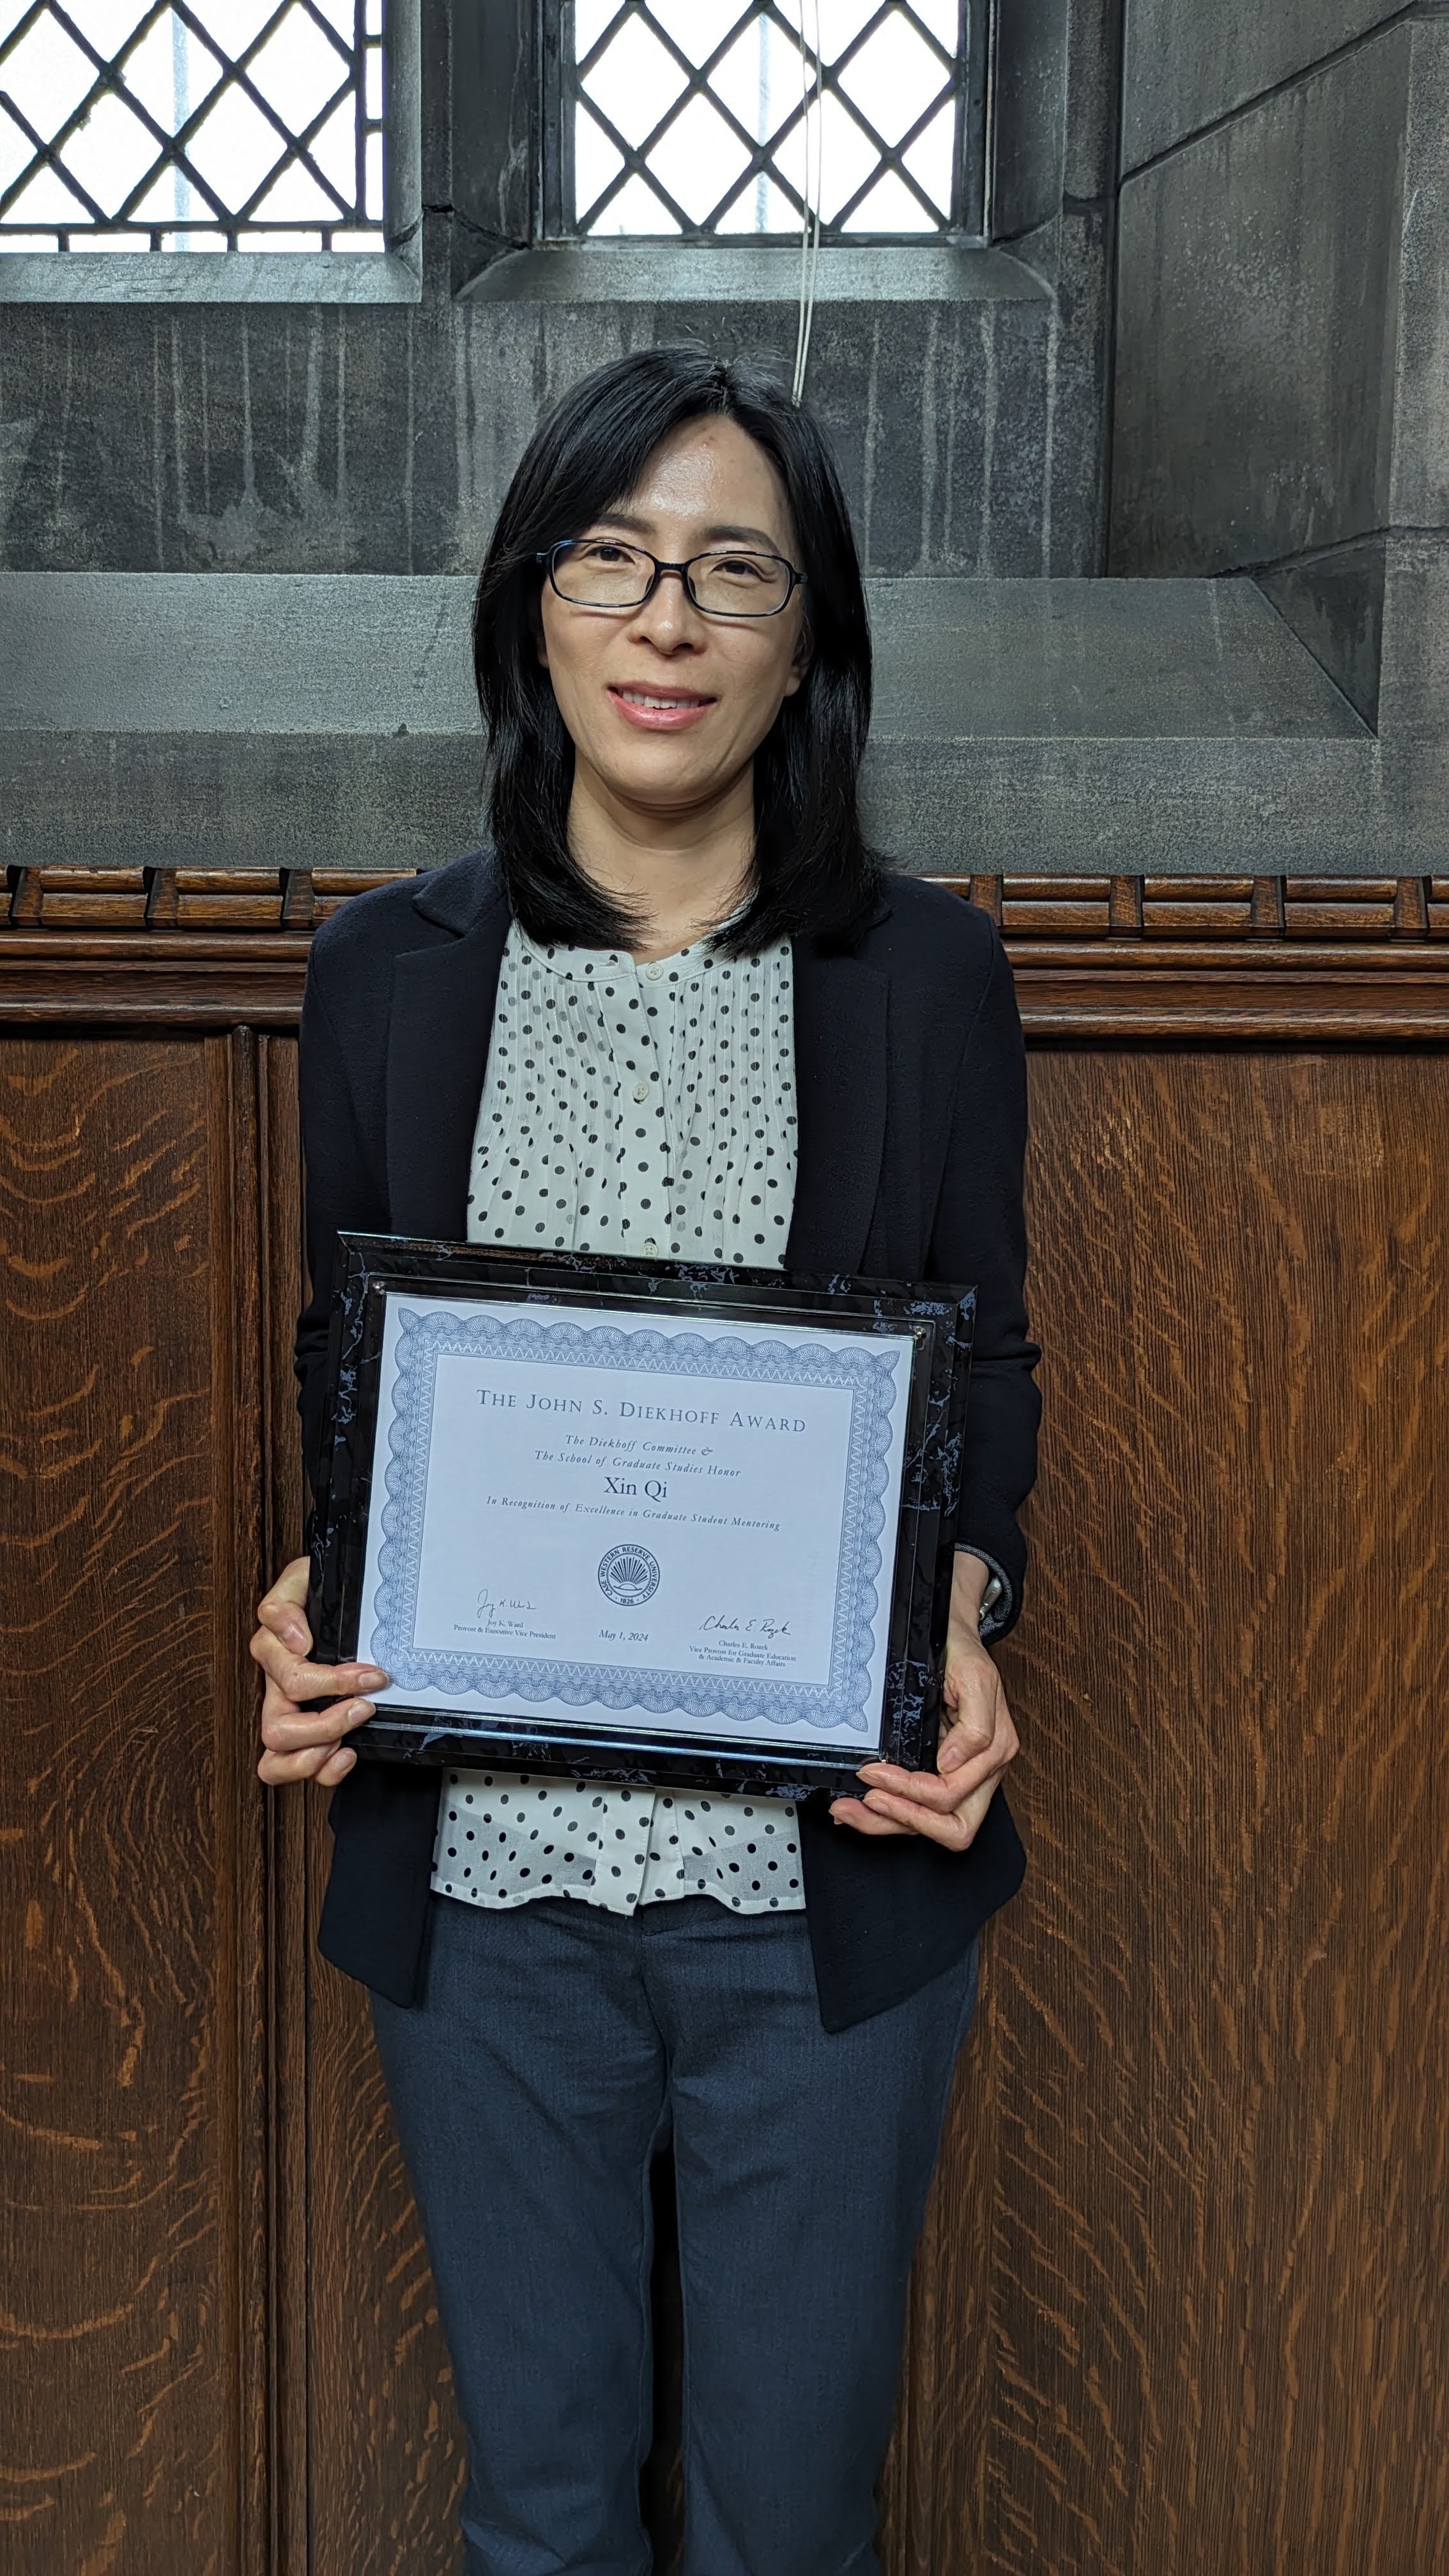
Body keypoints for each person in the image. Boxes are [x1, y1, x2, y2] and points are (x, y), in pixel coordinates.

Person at [251, 346, 1039, 2576]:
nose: (664, 618)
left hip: (820, 1875)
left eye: (731, 572)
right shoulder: (384, 971)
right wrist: (312, 1599)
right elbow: (359, 1372)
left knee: (790, 2523)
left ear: (806, 649)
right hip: (486, 1874)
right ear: (533, 611)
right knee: (544, 2509)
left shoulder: (925, 974)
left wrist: (967, 1620)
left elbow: (983, 1369)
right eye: (609, 557)